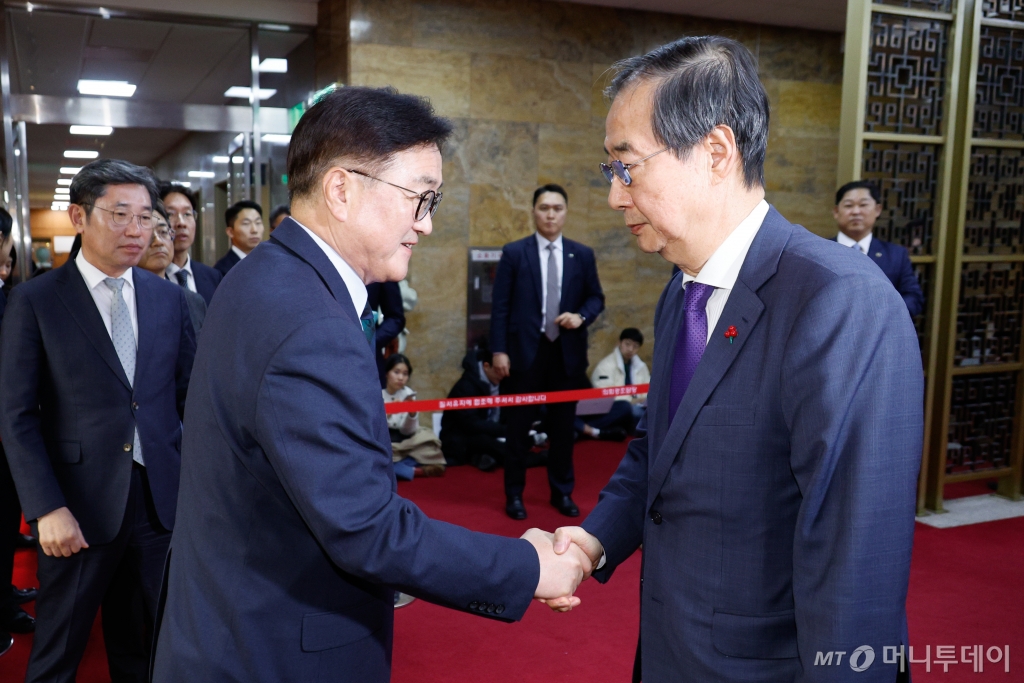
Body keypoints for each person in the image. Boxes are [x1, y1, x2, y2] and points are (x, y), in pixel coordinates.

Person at [151, 85, 590, 683]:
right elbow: (365, 528)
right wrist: (527, 565)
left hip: (235, 616)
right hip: (272, 647)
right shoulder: (308, 321)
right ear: (341, 189)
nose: (427, 225)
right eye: (420, 198)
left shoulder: (268, 278)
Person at [546, 36, 922, 683]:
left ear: (716, 151)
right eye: (610, 171)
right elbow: (656, 449)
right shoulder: (680, 289)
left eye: (627, 166)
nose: (614, 195)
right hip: (672, 653)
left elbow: (855, 567)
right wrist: (595, 536)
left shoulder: (839, 301)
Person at [0, 159, 196, 682]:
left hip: (158, 509)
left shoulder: (168, 299)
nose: (137, 230)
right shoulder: (35, 300)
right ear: (78, 217)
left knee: (147, 649)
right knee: (58, 654)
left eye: (146, 217)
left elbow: (183, 400)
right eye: (119, 215)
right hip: (77, 509)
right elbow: (16, 416)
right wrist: (45, 508)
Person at [490, 183, 605, 520]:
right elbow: (500, 307)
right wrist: (499, 350)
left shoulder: (581, 254)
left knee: (562, 430)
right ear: (533, 211)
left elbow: (596, 298)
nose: (551, 214)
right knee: (518, 430)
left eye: (557, 208)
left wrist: (580, 316)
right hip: (525, 353)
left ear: (566, 213)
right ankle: (514, 495)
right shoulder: (514, 253)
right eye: (544, 208)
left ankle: (562, 492)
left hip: (566, 354)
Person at [832, 180, 925, 318]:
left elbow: (914, 299)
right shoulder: (819, 252)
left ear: (877, 210)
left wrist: (881, 312)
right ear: (836, 211)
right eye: (849, 205)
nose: (856, 211)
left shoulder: (896, 255)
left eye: (863, 205)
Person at [139, 203, 208, 335]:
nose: (158, 241)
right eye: (147, 235)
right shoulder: (126, 300)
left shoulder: (193, 301)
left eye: (163, 232)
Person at [575, 327, 650, 440]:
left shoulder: (641, 366)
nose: (630, 349)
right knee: (627, 409)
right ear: (619, 343)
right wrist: (632, 401)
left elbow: (648, 389)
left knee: (651, 412)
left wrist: (643, 401)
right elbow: (604, 395)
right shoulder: (606, 366)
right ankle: (583, 430)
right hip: (615, 407)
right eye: (627, 344)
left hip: (638, 406)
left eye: (635, 346)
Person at [440, 347, 507, 472]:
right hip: (459, 438)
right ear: (486, 366)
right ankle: (537, 458)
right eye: (499, 369)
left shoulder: (498, 381)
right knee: (493, 445)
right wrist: (502, 430)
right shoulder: (466, 386)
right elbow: (470, 424)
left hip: (484, 431)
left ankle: (482, 458)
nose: (504, 373)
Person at [381, 354, 445, 480]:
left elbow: (408, 431)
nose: (401, 378)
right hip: (387, 442)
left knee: (430, 445)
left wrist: (411, 413)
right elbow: (375, 428)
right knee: (380, 461)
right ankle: (413, 471)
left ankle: (402, 467)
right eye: (396, 372)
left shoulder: (409, 394)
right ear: (387, 373)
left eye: (405, 374)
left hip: (406, 440)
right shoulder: (379, 394)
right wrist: (388, 413)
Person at [162, 182, 222, 305]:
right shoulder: (148, 277)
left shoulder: (212, 277)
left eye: (187, 214)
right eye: (170, 214)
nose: (181, 223)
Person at [213, 200, 263, 276]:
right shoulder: (222, 270)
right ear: (230, 232)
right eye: (246, 224)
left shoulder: (269, 262)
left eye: (258, 223)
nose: (254, 230)